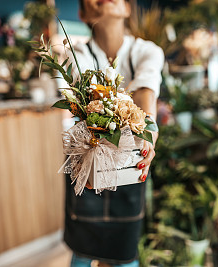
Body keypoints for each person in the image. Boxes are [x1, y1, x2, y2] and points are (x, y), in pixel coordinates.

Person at [62, 0, 164, 266]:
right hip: (88, 162)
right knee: (82, 252)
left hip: (130, 163)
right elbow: (87, 94)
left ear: (127, 8)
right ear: (83, 12)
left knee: (125, 253)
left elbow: (146, 91)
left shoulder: (147, 51)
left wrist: (147, 138)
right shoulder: (74, 53)